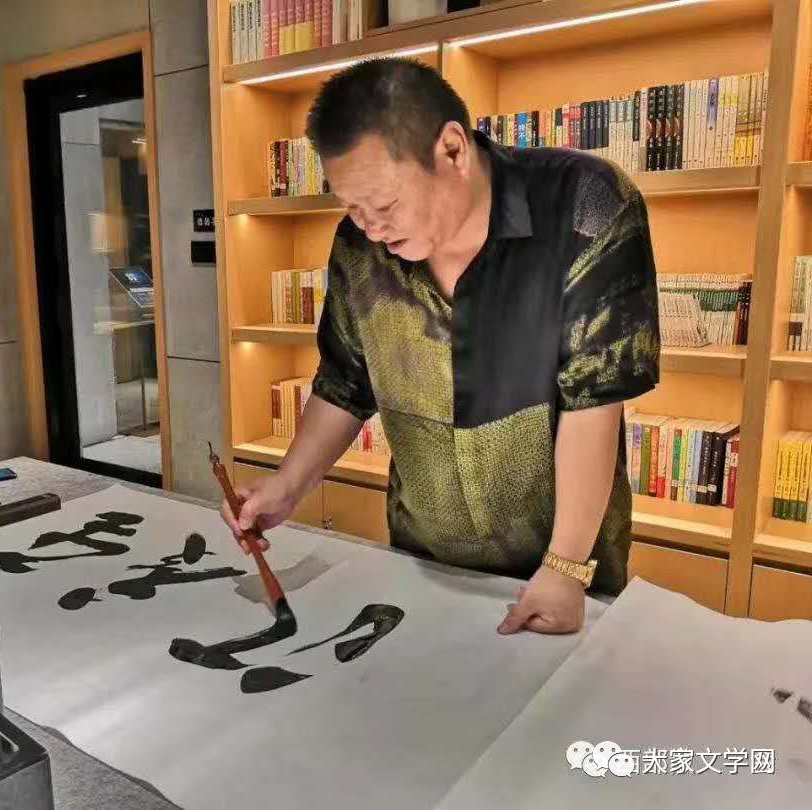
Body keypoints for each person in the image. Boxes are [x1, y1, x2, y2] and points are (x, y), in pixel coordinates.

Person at [220, 58, 660, 635]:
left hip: (561, 572)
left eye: (384, 205)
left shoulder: (586, 206)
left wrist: (565, 568)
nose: (371, 228)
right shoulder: (359, 247)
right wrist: (286, 486)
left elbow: (594, 401)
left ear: (452, 150)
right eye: (352, 207)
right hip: (420, 565)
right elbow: (345, 382)